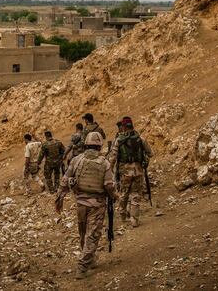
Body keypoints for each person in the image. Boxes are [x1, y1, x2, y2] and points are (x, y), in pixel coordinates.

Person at [55, 131, 117, 280]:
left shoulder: (77, 160)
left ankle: (90, 258)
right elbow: (109, 185)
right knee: (92, 235)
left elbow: (65, 179)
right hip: (97, 205)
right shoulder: (105, 163)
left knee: (83, 234)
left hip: (81, 204)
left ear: (86, 144)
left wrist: (59, 198)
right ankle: (82, 266)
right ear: (99, 146)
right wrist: (115, 196)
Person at [107, 117, 153, 227]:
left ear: (123, 126)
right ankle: (134, 220)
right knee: (136, 195)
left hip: (124, 172)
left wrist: (111, 171)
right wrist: (144, 161)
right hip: (138, 171)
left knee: (124, 193)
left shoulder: (119, 140)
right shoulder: (140, 138)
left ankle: (123, 217)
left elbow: (112, 158)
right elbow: (150, 153)